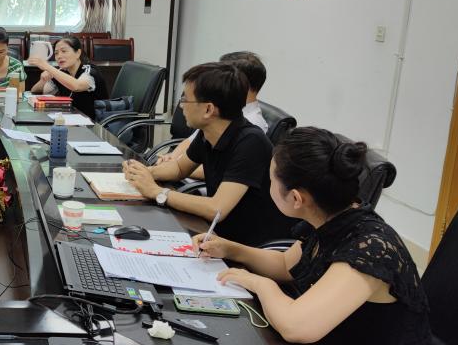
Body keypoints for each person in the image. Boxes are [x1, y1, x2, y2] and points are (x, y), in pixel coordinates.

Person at [197, 127, 435, 345]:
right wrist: (231, 250)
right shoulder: (332, 220)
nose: (267, 184)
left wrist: (259, 283)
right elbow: (286, 265)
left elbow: (296, 327)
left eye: (271, 179)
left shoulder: (369, 249)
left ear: (297, 198)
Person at [123, 62, 294, 246]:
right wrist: (144, 172)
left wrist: (158, 192)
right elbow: (179, 168)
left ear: (208, 109)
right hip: (218, 236)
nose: (181, 106)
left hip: (250, 246)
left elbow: (216, 209)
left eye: (185, 99)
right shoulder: (209, 132)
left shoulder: (251, 142)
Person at [159, 50, 268, 168]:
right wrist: (172, 157)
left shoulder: (253, 126)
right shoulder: (219, 110)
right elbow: (191, 141)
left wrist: (175, 164)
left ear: (240, 82)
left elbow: (222, 168)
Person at [29, 35, 108, 119]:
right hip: (71, 119)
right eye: (56, 53)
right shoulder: (61, 72)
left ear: (78, 53)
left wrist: (48, 67)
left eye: (64, 51)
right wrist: (43, 80)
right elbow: (35, 91)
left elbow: (76, 86)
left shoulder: (90, 70)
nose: (59, 56)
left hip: (94, 123)